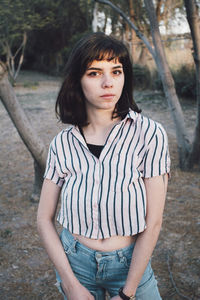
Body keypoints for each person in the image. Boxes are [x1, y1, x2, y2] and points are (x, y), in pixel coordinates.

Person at [37, 32, 170, 300]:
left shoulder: (149, 134)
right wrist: (70, 284)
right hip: (76, 263)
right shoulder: (62, 144)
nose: (108, 82)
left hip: (130, 265)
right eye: (95, 73)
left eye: (116, 71)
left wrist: (128, 293)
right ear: (78, 80)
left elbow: (153, 222)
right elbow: (43, 219)